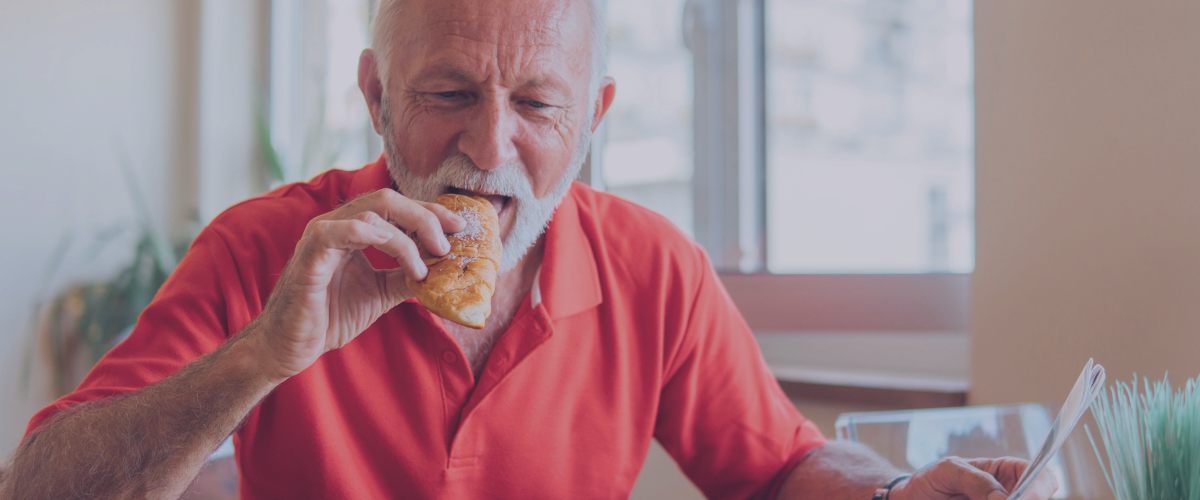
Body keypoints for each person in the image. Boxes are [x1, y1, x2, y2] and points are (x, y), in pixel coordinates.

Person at [0, 0, 1058, 499]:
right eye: (449, 94)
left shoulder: (653, 266)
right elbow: (43, 487)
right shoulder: (265, 248)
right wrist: (262, 356)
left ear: (592, 118)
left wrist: (890, 494)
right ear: (375, 97)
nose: (488, 147)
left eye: (539, 104)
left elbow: (781, 465)